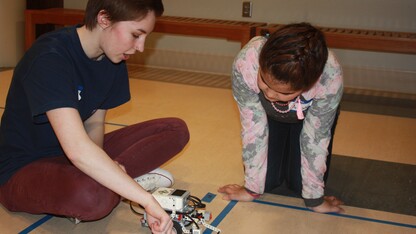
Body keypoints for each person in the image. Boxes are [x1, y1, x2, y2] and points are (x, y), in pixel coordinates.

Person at [0, 0, 189, 233]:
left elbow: (94, 122)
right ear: (104, 19)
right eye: (135, 35)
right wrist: (147, 201)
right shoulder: (50, 57)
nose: (140, 47)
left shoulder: (112, 57)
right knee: (91, 197)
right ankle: (121, 183)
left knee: (174, 129)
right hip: (24, 169)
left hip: (74, 155)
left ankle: (113, 180)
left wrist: (99, 165)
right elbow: (77, 149)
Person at [218, 23, 344, 213]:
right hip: (268, 116)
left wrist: (315, 199)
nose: (269, 94)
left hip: (308, 118)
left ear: (307, 86)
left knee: (300, 188)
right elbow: (253, 128)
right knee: (266, 183)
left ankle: (291, 151)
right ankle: (283, 147)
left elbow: (316, 138)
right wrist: (252, 189)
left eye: (282, 93)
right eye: (265, 83)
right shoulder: (247, 62)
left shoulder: (329, 77)